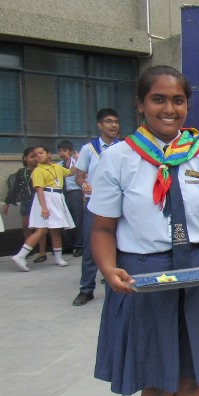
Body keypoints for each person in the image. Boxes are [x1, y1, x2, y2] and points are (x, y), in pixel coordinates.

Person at [90, 65, 199, 396]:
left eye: (177, 100)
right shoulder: (119, 158)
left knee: (192, 379)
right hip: (146, 276)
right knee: (158, 383)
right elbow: (102, 228)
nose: (169, 109)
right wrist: (109, 269)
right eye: (158, 99)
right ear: (140, 104)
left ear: (187, 106)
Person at [71, 108, 120, 306]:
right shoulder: (89, 149)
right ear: (100, 125)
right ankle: (86, 289)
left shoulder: (124, 148)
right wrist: (83, 185)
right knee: (91, 247)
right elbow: (79, 176)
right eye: (109, 121)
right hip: (95, 204)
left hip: (119, 204)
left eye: (116, 121)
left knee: (120, 244)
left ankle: (115, 281)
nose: (113, 125)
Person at [10, 146, 75, 271]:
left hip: (57, 197)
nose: (38, 156)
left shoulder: (57, 167)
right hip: (46, 199)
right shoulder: (38, 171)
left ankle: (58, 258)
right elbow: (39, 190)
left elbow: (71, 172)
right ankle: (20, 255)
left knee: (56, 229)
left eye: (40, 153)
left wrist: (79, 159)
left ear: (49, 154)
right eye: (35, 155)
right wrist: (44, 208)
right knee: (42, 229)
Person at [3, 147, 47, 263]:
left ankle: (42, 253)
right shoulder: (21, 172)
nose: (34, 159)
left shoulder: (41, 170)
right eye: (32, 157)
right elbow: (14, 188)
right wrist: (8, 202)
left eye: (36, 156)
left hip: (38, 202)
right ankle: (28, 250)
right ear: (25, 158)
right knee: (26, 226)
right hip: (26, 202)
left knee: (39, 227)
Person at [57, 140, 83, 256]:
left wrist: (78, 161)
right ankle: (68, 245)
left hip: (76, 192)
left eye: (65, 150)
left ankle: (79, 246)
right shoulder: (58, 165)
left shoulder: (78, 162)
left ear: (71, 152)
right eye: (60, 151)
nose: (62, 153)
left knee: (78, 219)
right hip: (63, 193)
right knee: (66, 219)